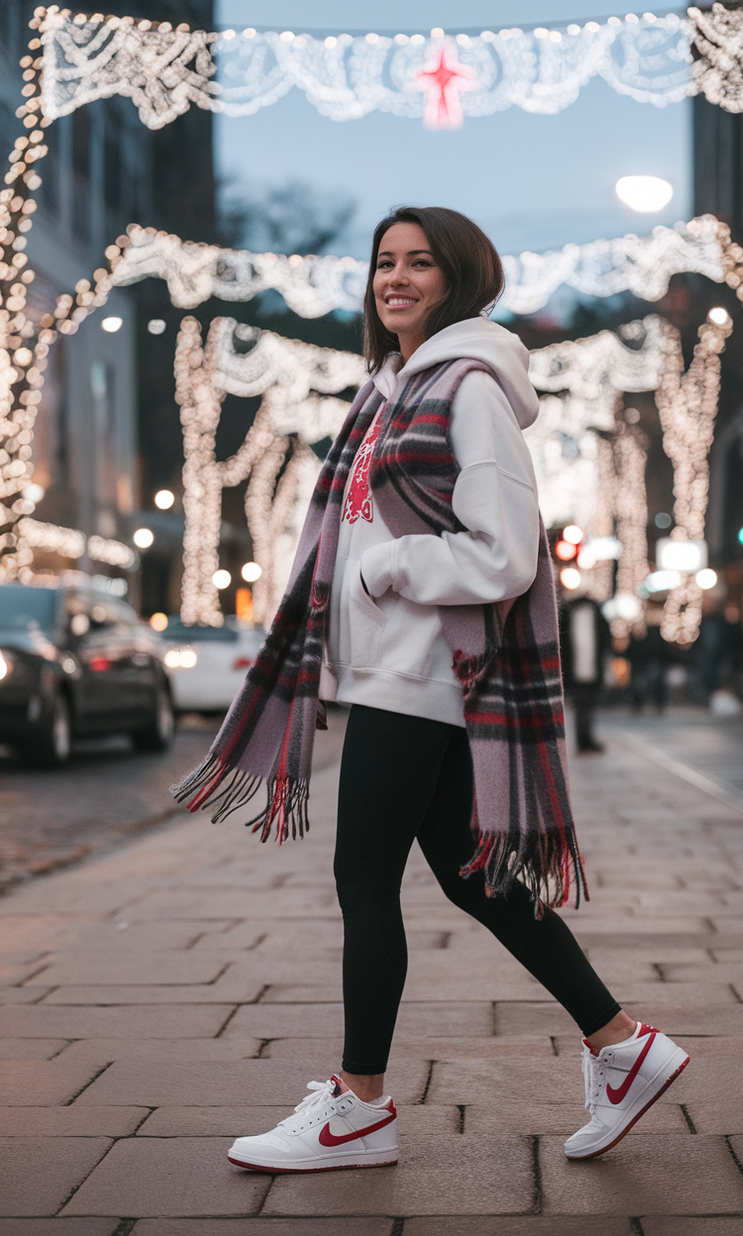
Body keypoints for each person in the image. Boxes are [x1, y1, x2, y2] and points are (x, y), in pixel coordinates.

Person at [174, 207, 689, 1173]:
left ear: (458, 278)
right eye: (383, 262)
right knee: (470, 873)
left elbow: (503, 553)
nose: (396, 277)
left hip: (419, 674)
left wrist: (389, 569)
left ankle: (359, 1107)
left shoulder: (470, 388)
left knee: (363, 880)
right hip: (396, 670)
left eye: (419, 263)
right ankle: (622, 1046)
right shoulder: (386, 390)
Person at [558, 588, 612, 752]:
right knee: (583, 705)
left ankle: (586, 738)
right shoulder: (571, 614)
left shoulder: (595, 616)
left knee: (588, 705)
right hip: (577, 668)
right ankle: (583, 739)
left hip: (590, 668)